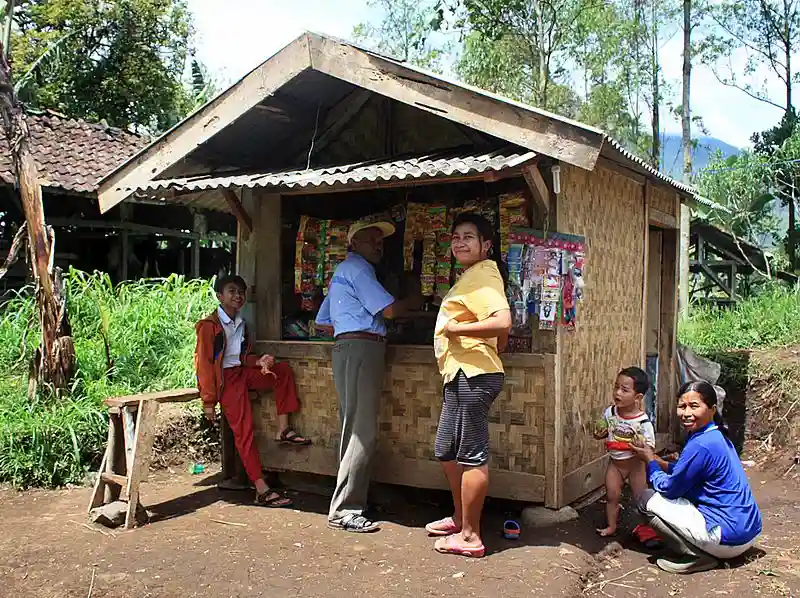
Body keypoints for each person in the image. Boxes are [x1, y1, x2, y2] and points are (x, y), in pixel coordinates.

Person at [315, 220, 421, 533]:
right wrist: (415, 301)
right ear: (354, 244)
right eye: (372, 240)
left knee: (354, 426)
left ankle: (352, 500)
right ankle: (345, 510)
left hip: (351, 347)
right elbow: (388, 311)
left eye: (380, 241)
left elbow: (323, 321)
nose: (378, 245)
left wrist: (350, 324)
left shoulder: (343, 273)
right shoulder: (358, 269)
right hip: (361, 347)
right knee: (361, 430)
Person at [425, 213, 512, 558]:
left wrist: (456, 330)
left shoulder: (484, 273)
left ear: (486, 245)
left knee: (470, 454)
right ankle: (461, 519)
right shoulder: (473, 276)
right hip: (460, 372)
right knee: (446, 448)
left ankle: (471, 537)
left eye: (469, 237)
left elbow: (502, 320)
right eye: (456, 236)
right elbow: (499, 333)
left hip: (475, 375)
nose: (460, 242)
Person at [195, 274, 310, 508]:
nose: (238, 296)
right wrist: (208, 401)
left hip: (242, 373)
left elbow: (241, 357)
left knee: (282, 371)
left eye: (241, 292)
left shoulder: (241, 323)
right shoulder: (209, 327)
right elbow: (204, 365)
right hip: (226, 382)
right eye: (232, 291)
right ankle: (261, 489)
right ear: (219, 296)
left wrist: (260, 362)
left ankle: (283, 429)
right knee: (244, 433)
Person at [629, 380, 762, 574]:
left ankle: (696, 556)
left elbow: (670, 489)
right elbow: (691, 471)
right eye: (682, 406)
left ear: (712, 409)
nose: (686, 413)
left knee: (645, 498)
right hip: (748, 532)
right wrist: (663, 463)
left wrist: (650, 462)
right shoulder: (716, 436)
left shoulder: (700, 444)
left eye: (694, 406)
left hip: (729, 540)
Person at [593, 366, 656, 537]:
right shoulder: (610, 412)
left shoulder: (642, 422)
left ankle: (648, 529)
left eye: (624, 390)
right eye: (616, 387)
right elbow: (601, 431)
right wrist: (599, 432)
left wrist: (642, 445)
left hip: (636, 466)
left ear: (638, 397)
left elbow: (650, 448)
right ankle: (611, 526)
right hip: (615, 464)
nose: (617, 392)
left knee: (641, 499)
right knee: (612, 495)